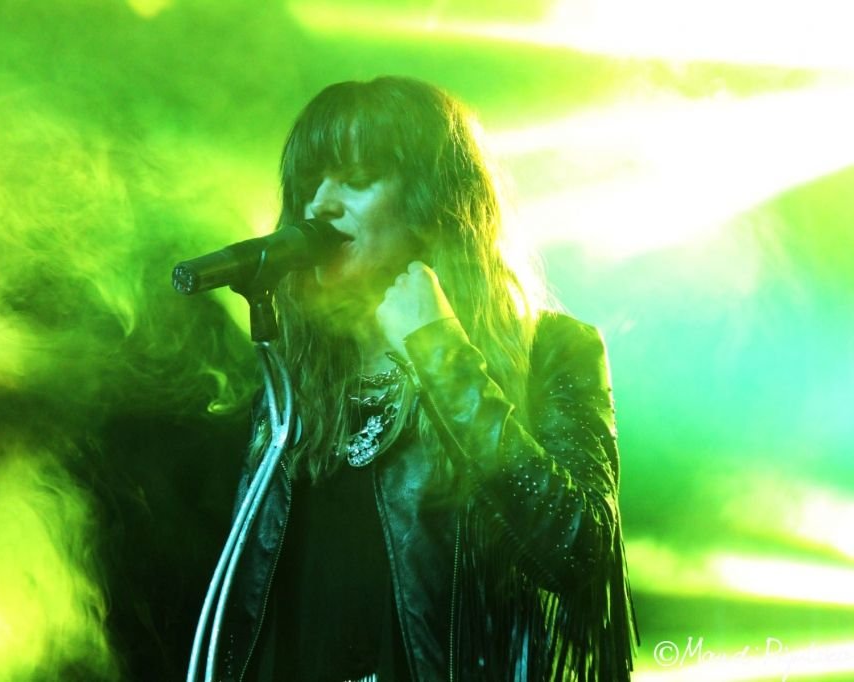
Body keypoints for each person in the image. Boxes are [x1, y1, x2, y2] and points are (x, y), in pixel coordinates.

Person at [216, 76, 637, 681]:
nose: (320, 205)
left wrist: (438, 349)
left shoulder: (552, 351)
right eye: (310, 184)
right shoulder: (293, 376)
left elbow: (577, 550)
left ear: (431, 202)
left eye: (357, 178)